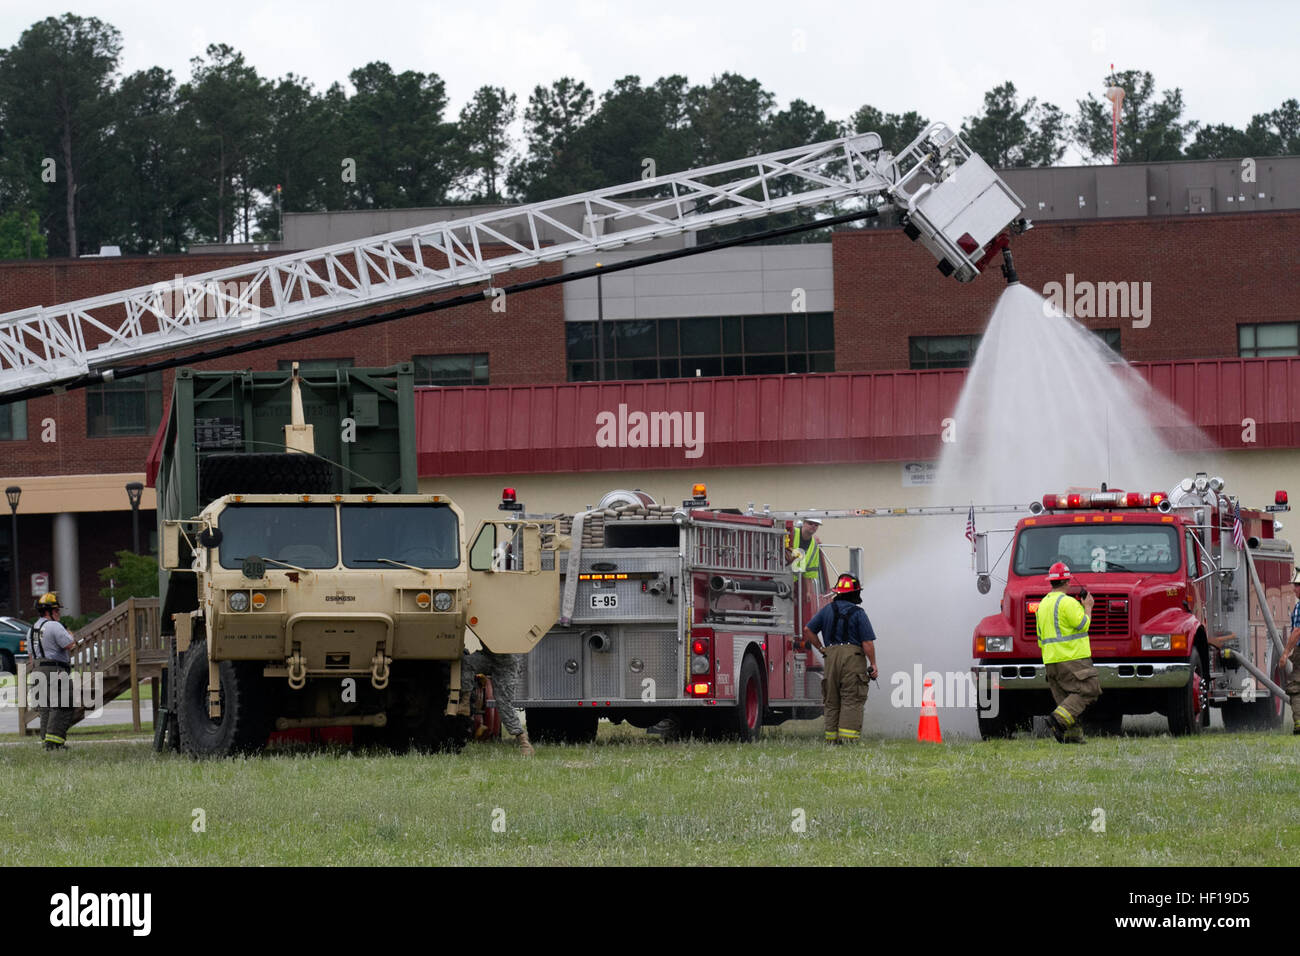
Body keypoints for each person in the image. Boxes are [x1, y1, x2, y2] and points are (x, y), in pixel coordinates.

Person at [802, 573, 877, 743]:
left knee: (832, 699)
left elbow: (808, 630)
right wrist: (873, 664)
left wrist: (822, 649)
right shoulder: (859, 613)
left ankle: (831, 739)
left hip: (830, 657)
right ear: (854, 593)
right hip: (853, 658)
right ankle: (847, 740)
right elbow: (867, 643)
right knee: (851, 697)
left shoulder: (827, 610)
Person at [1036, 562, 1101, 743]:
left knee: (1065, 698)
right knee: (1089, 689)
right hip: (1072, 658)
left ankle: (1073, 737)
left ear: (1051, 582)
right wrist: (1088, 606)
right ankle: (1057, 720)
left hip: (1050, 660)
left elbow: (1040, 637)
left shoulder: (1043, 605)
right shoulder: (1067, 603)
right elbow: (1084, 625)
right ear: (1067, 581)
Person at [461, 648, 533, 755]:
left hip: (506, 662)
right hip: (487, 656)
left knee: (504, 704)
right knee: (466, 663)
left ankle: (523, 741)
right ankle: (464, 704)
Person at [29, 592, 78, 751]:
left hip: (37, 669)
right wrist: (69, 632)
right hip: (55, 669)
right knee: (63, 704)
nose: (59, 613)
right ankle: (55, 743)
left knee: (45, 707)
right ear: (48, 611)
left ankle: (46, 742)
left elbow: (31, 656)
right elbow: (70, 644)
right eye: (56, 610)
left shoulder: (32, 630)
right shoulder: (55, 626)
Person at [1284, 568, 1300, 735]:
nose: (1294, 589)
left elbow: (1297, 632)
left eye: (1297, 585)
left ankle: (1299, 724)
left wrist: (1285, 653)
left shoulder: (1299, 607)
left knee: (1296, 688)